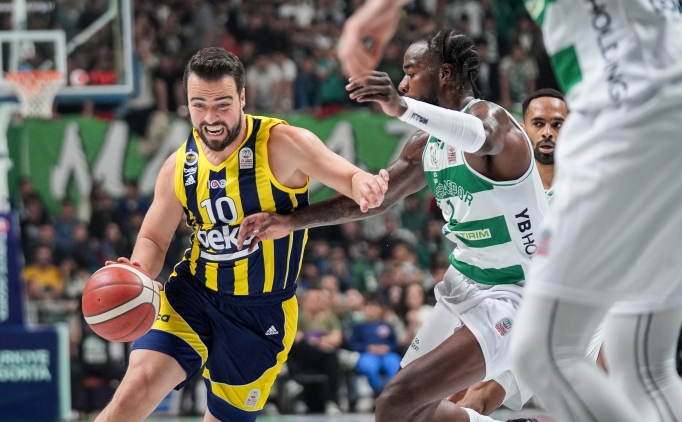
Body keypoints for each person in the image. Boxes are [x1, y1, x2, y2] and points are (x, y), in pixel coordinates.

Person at [239, 30, 548, 422]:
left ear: (445, 74)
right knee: (413, 412)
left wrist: (402, 107)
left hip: (521, 294)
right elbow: (374, 201)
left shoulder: (494, 121)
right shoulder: (424, 145)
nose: (402, 84)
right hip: (464, 285)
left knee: (394, 403)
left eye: (411, 73)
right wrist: (291, 221)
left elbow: (481, 138)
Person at [94, 47, 389, 422]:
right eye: (199, 105)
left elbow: (349, 176)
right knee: (137, 387)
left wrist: (364, 184)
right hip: (194, 294)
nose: (210, 118)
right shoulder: (179, 165)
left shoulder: (282, 144)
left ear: (243, 97)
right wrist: (138, 270)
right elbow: (154, 239)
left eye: (222, 105)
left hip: (261, 313)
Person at [510, 2, 682, 422]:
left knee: (542, 352)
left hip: (632, 124)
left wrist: (377, 12)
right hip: (665, 123)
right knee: (642, 363)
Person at [349, 296, 401, 395]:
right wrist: (368, 348)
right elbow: (353, 344)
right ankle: (379, 391)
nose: (372, 309)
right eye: (369, 306)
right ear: (364, 309)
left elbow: (395, 343)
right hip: (368, 354)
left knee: (395, 365)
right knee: (369, 367)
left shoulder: (387, 325)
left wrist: (388, 347)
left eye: (374, 306)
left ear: (380, 309)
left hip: (387, 355)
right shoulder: (359, 327)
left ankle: (391, 392)